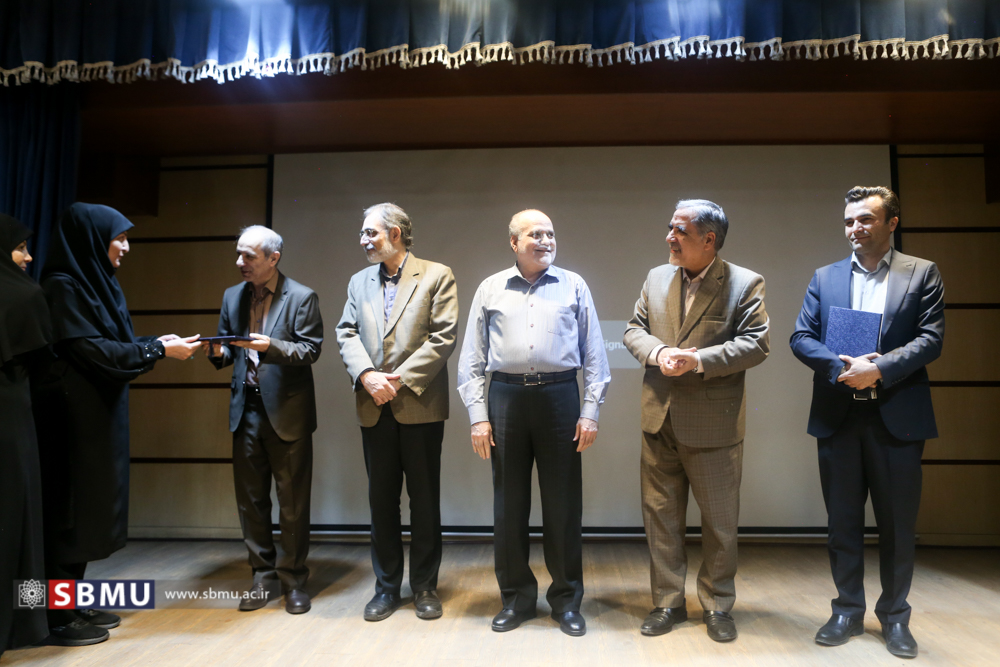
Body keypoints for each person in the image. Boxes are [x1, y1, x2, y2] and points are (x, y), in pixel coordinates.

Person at [31, 203, 201, 646]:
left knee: (88, 515)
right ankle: (54, 616)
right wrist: (158, 351)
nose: (125, 247)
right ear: (92, 238)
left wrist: (154, 343)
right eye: (119, 238)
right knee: (69, 516)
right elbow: (92, 352)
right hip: (70, 423)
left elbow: (111, 345)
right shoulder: (61, 286)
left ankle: (71, 602)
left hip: (96, 418)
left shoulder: (95, 282)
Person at [789, 186, 944, 659]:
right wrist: (842, 368)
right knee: (842, 523)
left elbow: (931, 339)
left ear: (891, 222)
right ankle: (846, 611)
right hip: (838, 414)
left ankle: (895, 617)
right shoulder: (825, 276)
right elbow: (801, 337)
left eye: (865, 219)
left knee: (897, 525)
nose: (854, 228)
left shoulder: (922, 272)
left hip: (896, 414)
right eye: (849, 221)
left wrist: (878, 369)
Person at [457, 209, 610, 637]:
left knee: (563, 505)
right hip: (505, 397)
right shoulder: (490, 288)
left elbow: (595, 353)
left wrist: (590, 410)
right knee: (508, 506)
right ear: (514, 242)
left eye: (550, 233)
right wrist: (478, 417)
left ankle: (566, 601)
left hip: (560, 396)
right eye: (535, 234)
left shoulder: (573, 285)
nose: (545, 240)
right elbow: (471, 358)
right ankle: (517, 600)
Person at [623, 199, 769, 643]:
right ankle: (667, 602)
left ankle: (718, 605)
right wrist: (659, 352)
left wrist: (698, 360)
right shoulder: (656, 277)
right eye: (670, 228)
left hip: (713, 425)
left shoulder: (744, 283)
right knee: (661, 519)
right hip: (659, 419)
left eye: (680, 231)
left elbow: (757, 344)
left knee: (719, 524)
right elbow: (633, 329)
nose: (670, 237)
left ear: (709, 240)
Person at [336, 203, 458, 621]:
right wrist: (367, 375)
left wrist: (397, 380)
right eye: (362, 233)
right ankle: (386, 588)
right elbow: (346, 332)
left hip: (419, 403)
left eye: (370, 233)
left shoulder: (436, 275)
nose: (363, 240)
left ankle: (424, 587)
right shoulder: (359, 282)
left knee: (424, 502)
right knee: (381, 503)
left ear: (395, 234)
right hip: (373, 404)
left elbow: (443, 337)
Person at [206, 225, 323, 615]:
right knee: (251, 502)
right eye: (238, 253)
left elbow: (310, 350)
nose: (240, 262)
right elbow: (228, 346)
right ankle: (262, 577)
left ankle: (294, 581)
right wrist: (216, 352)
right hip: (246, 410)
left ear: (274, 259)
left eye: (249, 256)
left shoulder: (301, 296)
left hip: (287, 411)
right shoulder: (232, 296)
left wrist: (270, 346)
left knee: (292, 504)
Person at [0, 214, 52, 656]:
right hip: (11, 420)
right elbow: (43, 363)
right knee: (19, 520)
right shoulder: (26, 294)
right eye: (20, 247)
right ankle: (22, 624)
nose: (28, 256)